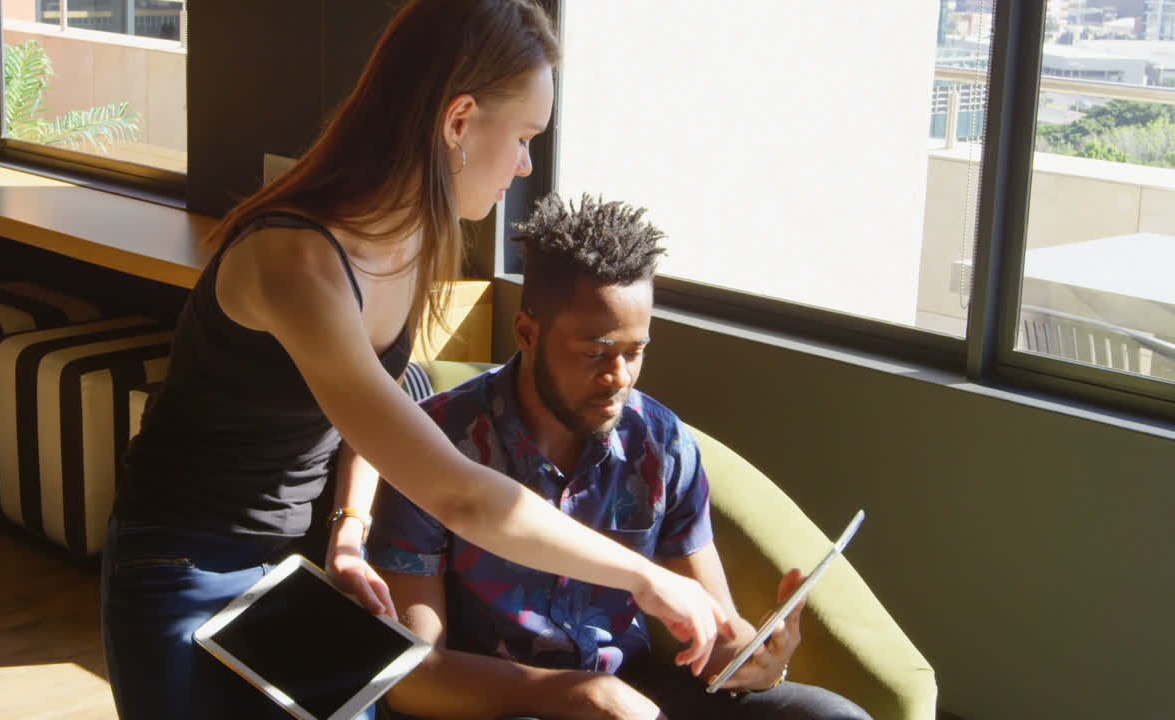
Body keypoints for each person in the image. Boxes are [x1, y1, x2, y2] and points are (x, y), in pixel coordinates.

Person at [99, 2, 730, 719]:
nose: (526, 164)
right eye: (523, 137)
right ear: (458, 122)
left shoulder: (410, 239)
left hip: (290, 563)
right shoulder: (297, 263)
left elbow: (377, 416)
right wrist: (645, 577)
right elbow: (462, 497)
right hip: (185, 564)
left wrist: (348, 530)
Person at [367, 194, 873, 720]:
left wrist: (753, 657)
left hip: (631, 694)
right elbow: (413, 680)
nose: (619, 377)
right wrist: (575, 693)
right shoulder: (434, 445)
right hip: (495, 703)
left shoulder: (659, 444)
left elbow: (715, 630)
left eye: (635, 352)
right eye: (595, 353)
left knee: (829, 716)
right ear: (527, 333)